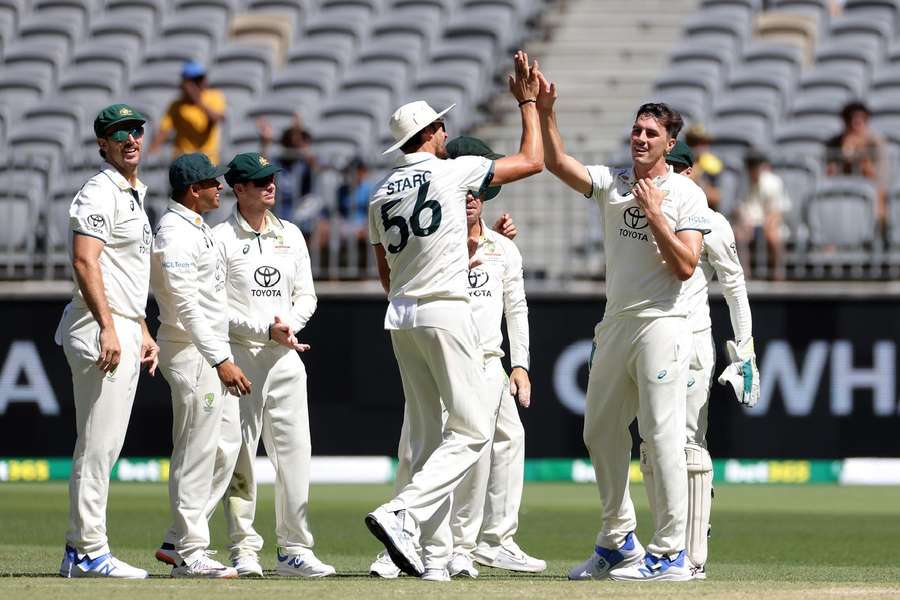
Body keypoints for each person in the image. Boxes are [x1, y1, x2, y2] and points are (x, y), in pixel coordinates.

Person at [364, 50, 544, 582]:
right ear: (432, 133)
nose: (447, 133)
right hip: (444, 312)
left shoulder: (378, 195)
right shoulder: (452, 172)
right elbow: (531, 160)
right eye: (441, 126)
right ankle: (404, 514)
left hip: (402, 316)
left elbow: (385, 275)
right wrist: (528, 103)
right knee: (470, 430)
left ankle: (434, 554)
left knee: (424, 437)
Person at [536, 72, 711, 581]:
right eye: (637, 130)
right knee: (598, 431)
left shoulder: (684, 195)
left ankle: (672, 551)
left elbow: (685, 266)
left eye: (651, 134)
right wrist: (544, 111)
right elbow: (556, 163)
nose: (640, 139)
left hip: (663, 324)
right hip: (616, 324)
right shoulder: (612, 182)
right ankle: (618, 541)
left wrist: (655, 213)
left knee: (660, 439)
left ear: (670, 144)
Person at [213, 152, 335, 577]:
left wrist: (287, 327)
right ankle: (244, 548)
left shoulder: (292, 235)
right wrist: (265, 329)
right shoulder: (221, 239)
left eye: (272, 178)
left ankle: (294, 549)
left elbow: (307, 296)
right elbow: (215, 309)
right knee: (240, 453)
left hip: (286, 356)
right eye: (258, 180)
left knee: (296, 453)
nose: (270, 185)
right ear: (238, 188)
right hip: (241, 356)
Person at [56, 103, 158, 579]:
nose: (131, 139)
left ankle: (83, 549)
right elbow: (84, 262)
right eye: (120, 134)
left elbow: (126, 272)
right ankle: (87, 550)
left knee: (103, 443)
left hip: (119, 323)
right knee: (98, 445)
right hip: (98, 326)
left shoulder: (135, 192)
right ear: (103, 144)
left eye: (136, 131)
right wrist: (109, 326)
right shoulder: (100, 191)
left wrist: (139, 328)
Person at [658, 141, 760, 579]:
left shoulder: (710, 222)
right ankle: (664, 545)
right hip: (650, 339)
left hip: (694, 339)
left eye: (683, 172)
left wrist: (747, 348)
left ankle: (692, 554)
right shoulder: (646, 215)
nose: (677, 181)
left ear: (690, 174)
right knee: (655, 445)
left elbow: (734, 287)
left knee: (687, 442)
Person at [150, 152, 252, 578]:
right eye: (213, 183)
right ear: (194, 191)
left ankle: (178, 539)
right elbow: (186, 308)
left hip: (211, 347)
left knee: (226, 447)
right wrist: (221, 360)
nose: (221, 188)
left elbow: (211, 302)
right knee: (196, 450)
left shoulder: (198, 227)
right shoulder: (174, 233)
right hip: (192, 351)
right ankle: (191, 552)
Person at [149, 61, 227, 164]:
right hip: (183, 161)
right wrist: (152, 150)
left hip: (207, 161)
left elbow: (215, 119)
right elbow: (164, 131)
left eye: (201, 78)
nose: (201, 83)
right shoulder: (177, 105)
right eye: (195, 80)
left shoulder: (214, 97)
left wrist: (197, 101)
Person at [825, 101, 888, 228]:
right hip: (841, 192)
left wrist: (862, 157)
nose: (856, 125)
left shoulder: (875, 144)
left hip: (869, 192)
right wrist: (845, 154)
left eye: (861, 120)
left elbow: (878, 179)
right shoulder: (834, 143)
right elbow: (829, 176)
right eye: (851, 120)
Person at [732, 148, 790, 280]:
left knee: (774, 236)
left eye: (755, 166)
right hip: (749, 222)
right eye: (750, 166)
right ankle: (744, 276)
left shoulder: (774, 182)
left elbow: (778, 211)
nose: (753, 170)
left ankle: (777, 275)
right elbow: (738, 209)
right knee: (739, 235)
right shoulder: (741, 183)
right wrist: (744, 221)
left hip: (769, 220)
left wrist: (769, 224)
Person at [257, 115, 319, 230]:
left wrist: (298, 135)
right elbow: (262, 167)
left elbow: (316, 168)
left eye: (295, 142)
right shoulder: (278, 161)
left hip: (301, 211)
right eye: (289, 141)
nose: (292, 146)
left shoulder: (304, 163)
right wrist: (265, 144)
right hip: (281, 211)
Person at [684, 124, 723, 212]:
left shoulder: (713, 165)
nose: (698, 146)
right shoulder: (679, 162)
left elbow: (716, 198)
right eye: (693, 142)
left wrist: (696, 181)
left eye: (703, 142)